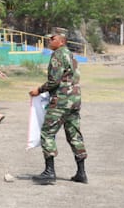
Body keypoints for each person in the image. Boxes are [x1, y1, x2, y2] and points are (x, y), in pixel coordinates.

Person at [29, 28, 87, 184]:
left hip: (61, 100)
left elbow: (54, 81)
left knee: (47, 132)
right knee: (74, 135)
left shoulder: (58, 55)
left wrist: (38, 90)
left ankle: (49, 172)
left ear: (61, 41)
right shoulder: (70, 54)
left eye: (52, 39)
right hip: (74, 100)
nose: (49, 41)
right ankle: (81, 173)